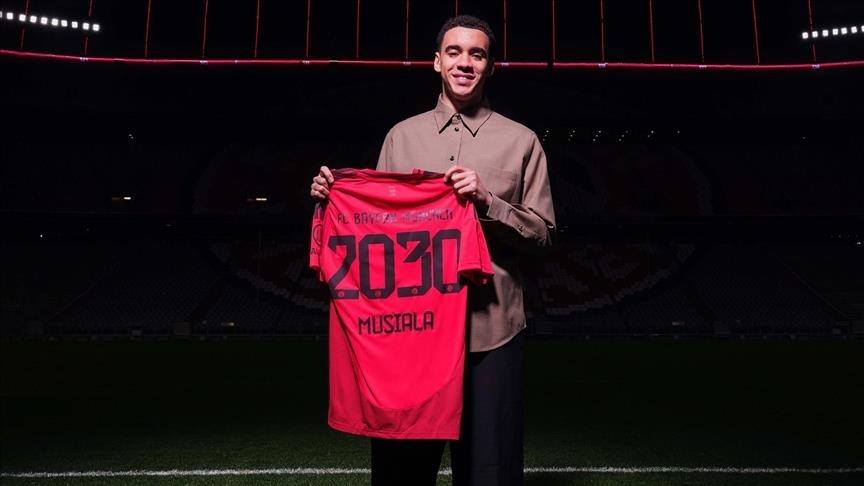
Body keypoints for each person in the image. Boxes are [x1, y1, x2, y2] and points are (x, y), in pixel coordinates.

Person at [310, 14, 555, 486]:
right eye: (454, 52)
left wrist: (488, 201)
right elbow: (374, 230)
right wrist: (332, 198)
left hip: (490, 334)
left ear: (490, 66)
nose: (465, 62)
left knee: (489, 473)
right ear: (437, 62)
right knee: (402, 471)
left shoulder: (521, 141)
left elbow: (543, 235)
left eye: (477, 54)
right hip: (411, 338)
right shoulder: (401, 137)